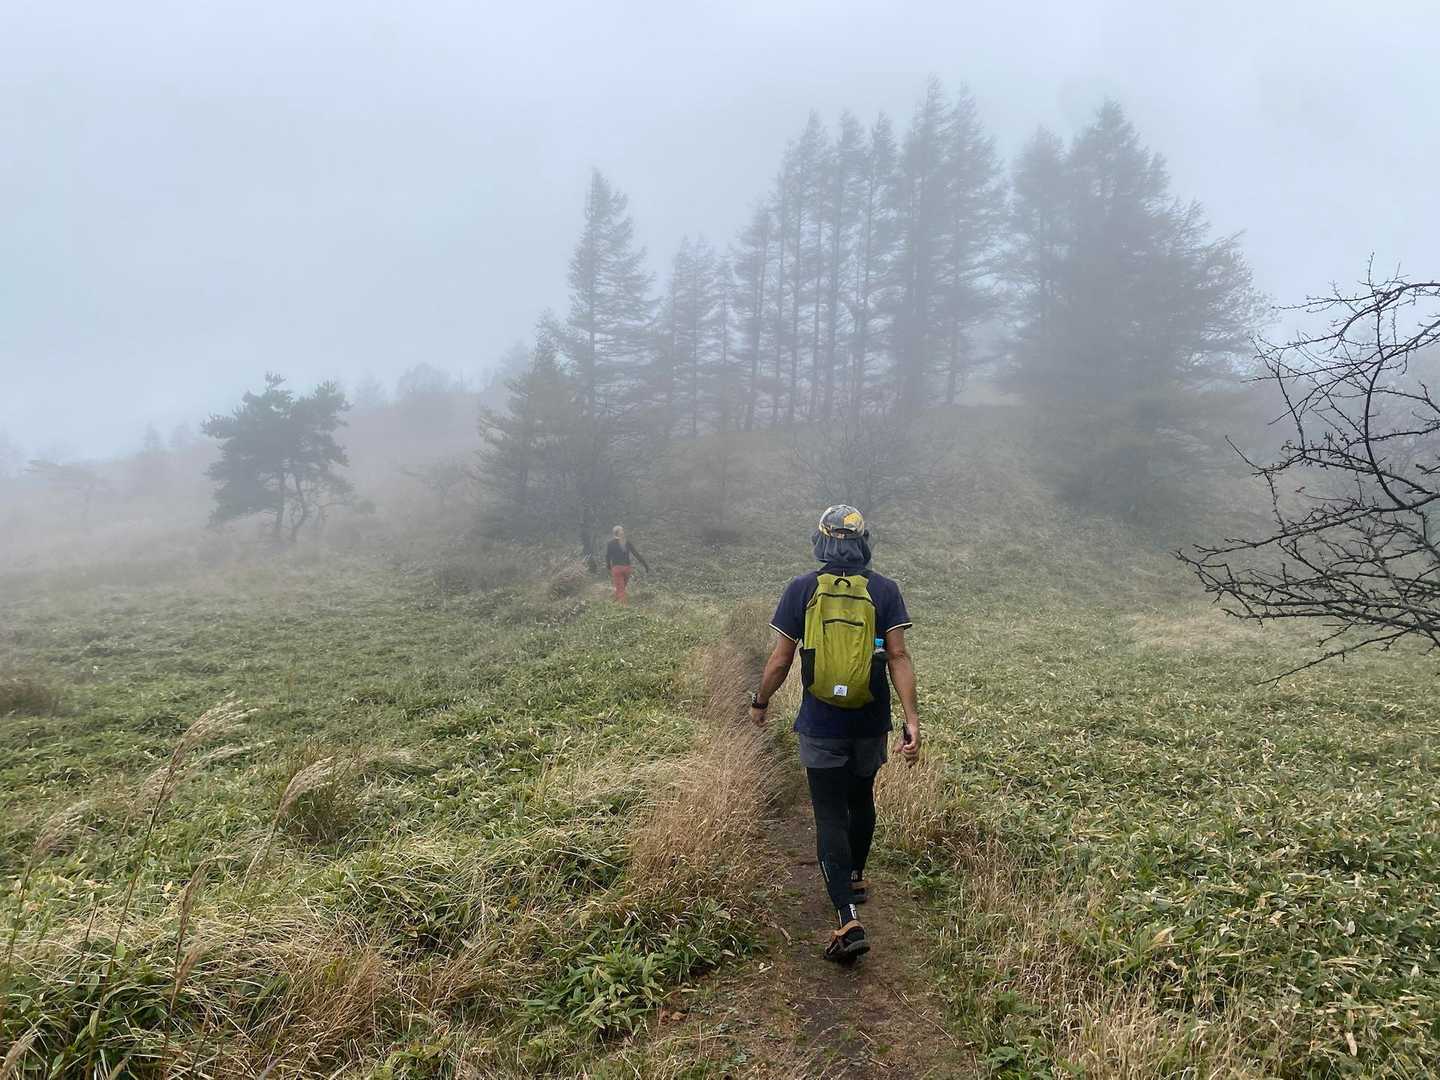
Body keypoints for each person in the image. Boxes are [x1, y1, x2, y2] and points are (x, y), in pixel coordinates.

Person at [748, 504, 920, 963]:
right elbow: (899, 657)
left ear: (821, 542)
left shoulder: (802, 588)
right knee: (861, 799)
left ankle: (846, 917)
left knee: (828, 814)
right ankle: (855, 876)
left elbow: (781, 660)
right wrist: (912, 720)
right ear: (864, 543)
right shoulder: (883, 590)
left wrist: (760, 701)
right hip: (869, 720)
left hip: (821, 723)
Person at [605, 525, 649, 604]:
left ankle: (623, 607)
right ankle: (615, 601)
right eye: (622, 530)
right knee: (622, 588)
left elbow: (608, 556)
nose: (623, 532)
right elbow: (636, 554)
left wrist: (608, 566)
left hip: (617, 569)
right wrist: (645, 565)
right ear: (619, 533)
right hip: (627, 569)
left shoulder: (610, 543)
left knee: (620, 589)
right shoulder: (626, 542)